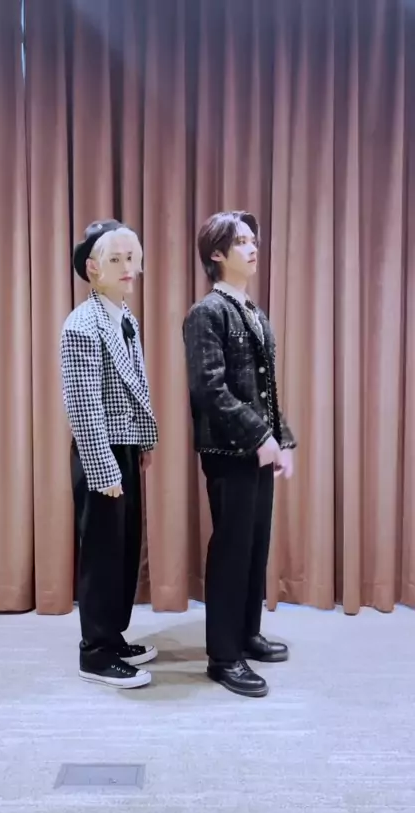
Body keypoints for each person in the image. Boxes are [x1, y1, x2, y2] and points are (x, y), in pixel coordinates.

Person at [182, 210, 296, 698]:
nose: (253, 248)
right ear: (217, 254)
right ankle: (223, 656)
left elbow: (265, 390)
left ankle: (247, 633)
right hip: (228, 450)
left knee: (255, 545)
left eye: (253, 240)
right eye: (242, 241)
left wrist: (281, 439)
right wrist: (258, 436)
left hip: (257, 450)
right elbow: (210, 389)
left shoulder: (254, 311)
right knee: (231, 549)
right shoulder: (207, 313)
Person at [60, 219, 158, 689]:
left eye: (131, 258)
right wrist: (104, 468)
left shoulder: (125, 318)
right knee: (101, 551)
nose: (127, 268)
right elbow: (84, 406)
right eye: (115, 259)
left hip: (125, 445)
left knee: (124, 547)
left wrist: (143, 441)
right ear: (92, 269)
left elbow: (135, 385)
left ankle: (112, 635)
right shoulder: (82, 325)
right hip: (100, 452)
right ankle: (95, 652)